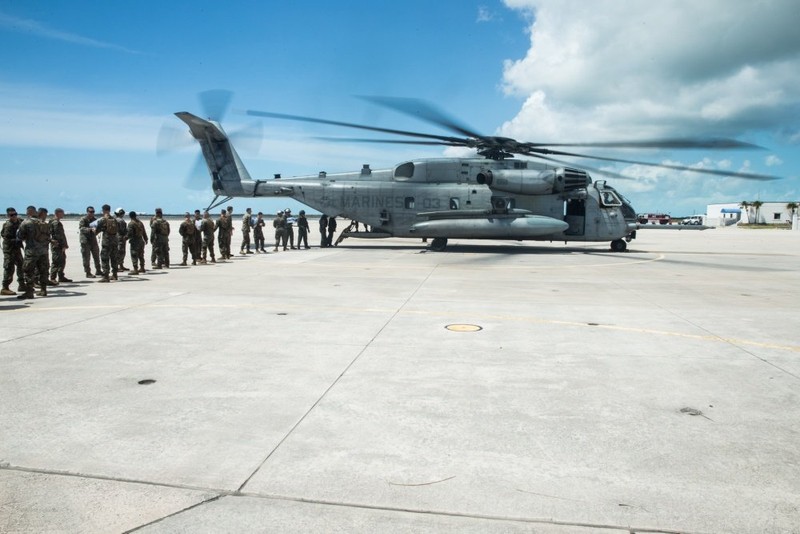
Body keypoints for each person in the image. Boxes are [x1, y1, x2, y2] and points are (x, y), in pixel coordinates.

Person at [17, 206, 50, 299]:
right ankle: (43, 290)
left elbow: (20, 236)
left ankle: (29, 292)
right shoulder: (43, 223)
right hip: (43, 251)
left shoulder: (26, 223)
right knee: (43, 271)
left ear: (29, 212)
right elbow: (48, 236)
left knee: (28, 271)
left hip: (31, 251)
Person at [2, 207, 24, 295]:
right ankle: (5, 287)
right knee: (9, 268)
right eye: (12, 215)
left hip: (17, 248)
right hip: (9, 249)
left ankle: (22, 284)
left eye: (15, 214)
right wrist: (18, 240)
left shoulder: (19, 222)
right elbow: (7, 238)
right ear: (8, 216)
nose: (14, 216)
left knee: (21, 266)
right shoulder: (8, 225)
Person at [95, 204, 120, 282]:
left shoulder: (103, 220)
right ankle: (115, 275)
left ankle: (106, 276)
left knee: (105, 259)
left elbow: (97, 230)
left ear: (104, 210)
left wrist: (94, 231)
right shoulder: (114, 219)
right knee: (114, 258)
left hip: (107, 242)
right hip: (115, 242)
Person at [48, 208, 71, 284]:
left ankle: (61, 276)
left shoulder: (55, 222)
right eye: (62, 213)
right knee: (56, 261)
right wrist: (62, 245)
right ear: (58, 213)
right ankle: (53, 277)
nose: (63, 214)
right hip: (57, 245)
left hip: (59, 245)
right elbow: (58, 236)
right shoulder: (55, 223)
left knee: (62, 260)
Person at [78, 205, 102, 278]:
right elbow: (81, 228)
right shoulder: (83, 219)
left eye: (93, 212)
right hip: (85, 241)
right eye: (90, 212)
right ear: (87, 212)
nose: (92, 213)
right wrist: (90, 229)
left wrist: (98, 230)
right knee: (86, 257)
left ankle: (98, 270)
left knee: (96, 256)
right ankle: (88, 272)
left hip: (93, 240)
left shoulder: (95, 220)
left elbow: (97, 228)